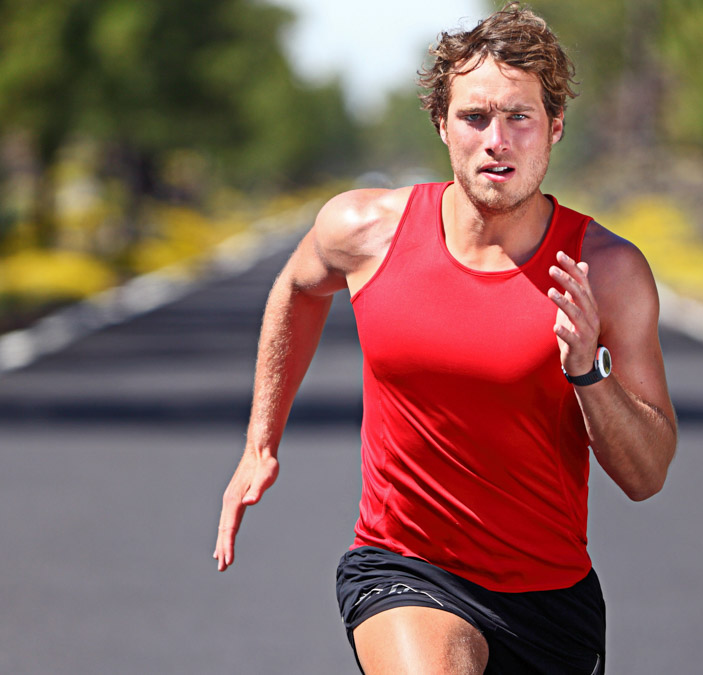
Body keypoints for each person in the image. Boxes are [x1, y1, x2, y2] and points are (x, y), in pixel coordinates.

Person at [212, 3, 676, 674]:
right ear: (442, 125)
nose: (498, 139)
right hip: (403, 566)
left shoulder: (607, 271)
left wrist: (588, 372)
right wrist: (260, 440)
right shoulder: (365, 230)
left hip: (551, 598)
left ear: (555, 128)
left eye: (520, 117)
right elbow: (297, 288)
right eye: (475, 117)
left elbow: (647, 473)